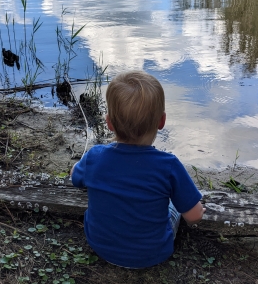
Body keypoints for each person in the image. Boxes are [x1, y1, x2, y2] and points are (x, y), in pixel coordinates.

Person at [70, 70, 205, 268]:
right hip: (154, 254)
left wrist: (80, 168)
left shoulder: (95, 156)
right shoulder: (168, 165)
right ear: (161, 121)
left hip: (101, 246)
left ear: (109, 123)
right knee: (174, 205)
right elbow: (194, 217)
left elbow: (75, 178)